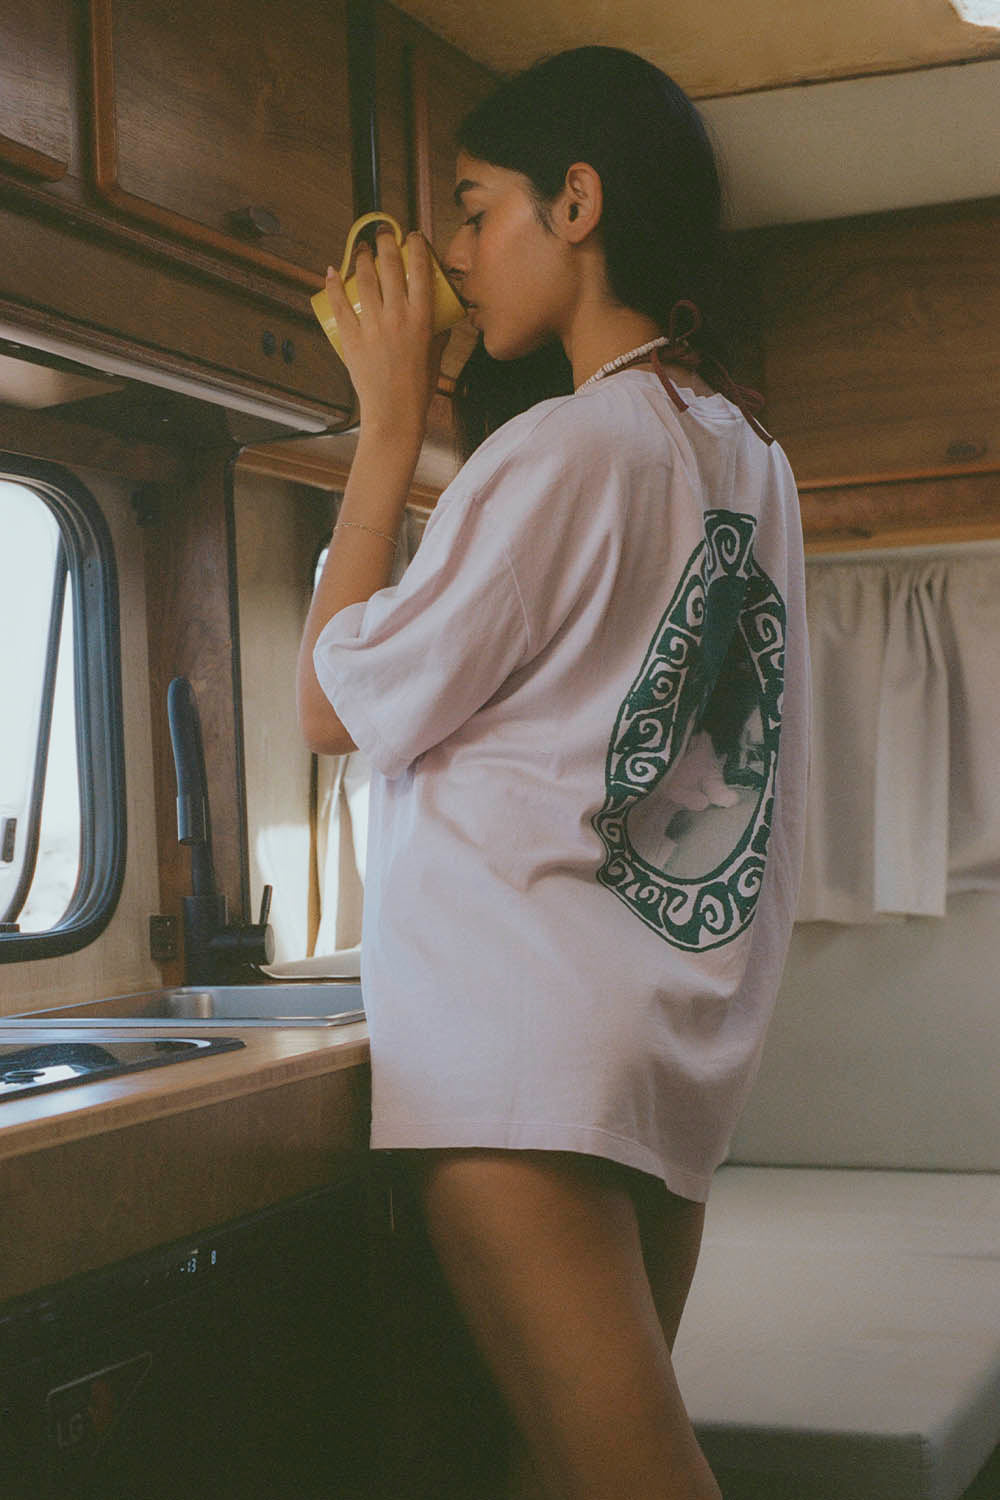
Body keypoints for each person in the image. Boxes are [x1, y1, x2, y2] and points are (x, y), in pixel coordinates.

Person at [297, 46, 809, 1500]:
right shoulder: (747, 452)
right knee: (564, 1473)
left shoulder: (562, 453)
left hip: (522, 1051)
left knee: (627, 1480)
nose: (455, 255)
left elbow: (336, 702)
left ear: (573, 203)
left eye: (472, 210)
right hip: (667, 1035)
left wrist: (387, 414)